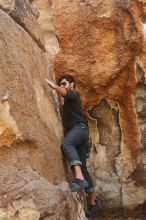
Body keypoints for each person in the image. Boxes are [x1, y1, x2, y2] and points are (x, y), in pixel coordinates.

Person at [46, 74, 102, 218]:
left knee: (67, 144)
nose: (62, 86)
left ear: (72, 85)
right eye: (61, 84)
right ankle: (94, 202)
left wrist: (54, 86)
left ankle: (78, 178)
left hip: (79, 129)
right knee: (83, 167)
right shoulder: (68, 103)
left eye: (64, 83)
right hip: (81, 133)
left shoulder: (74, 94)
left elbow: (64, 92)